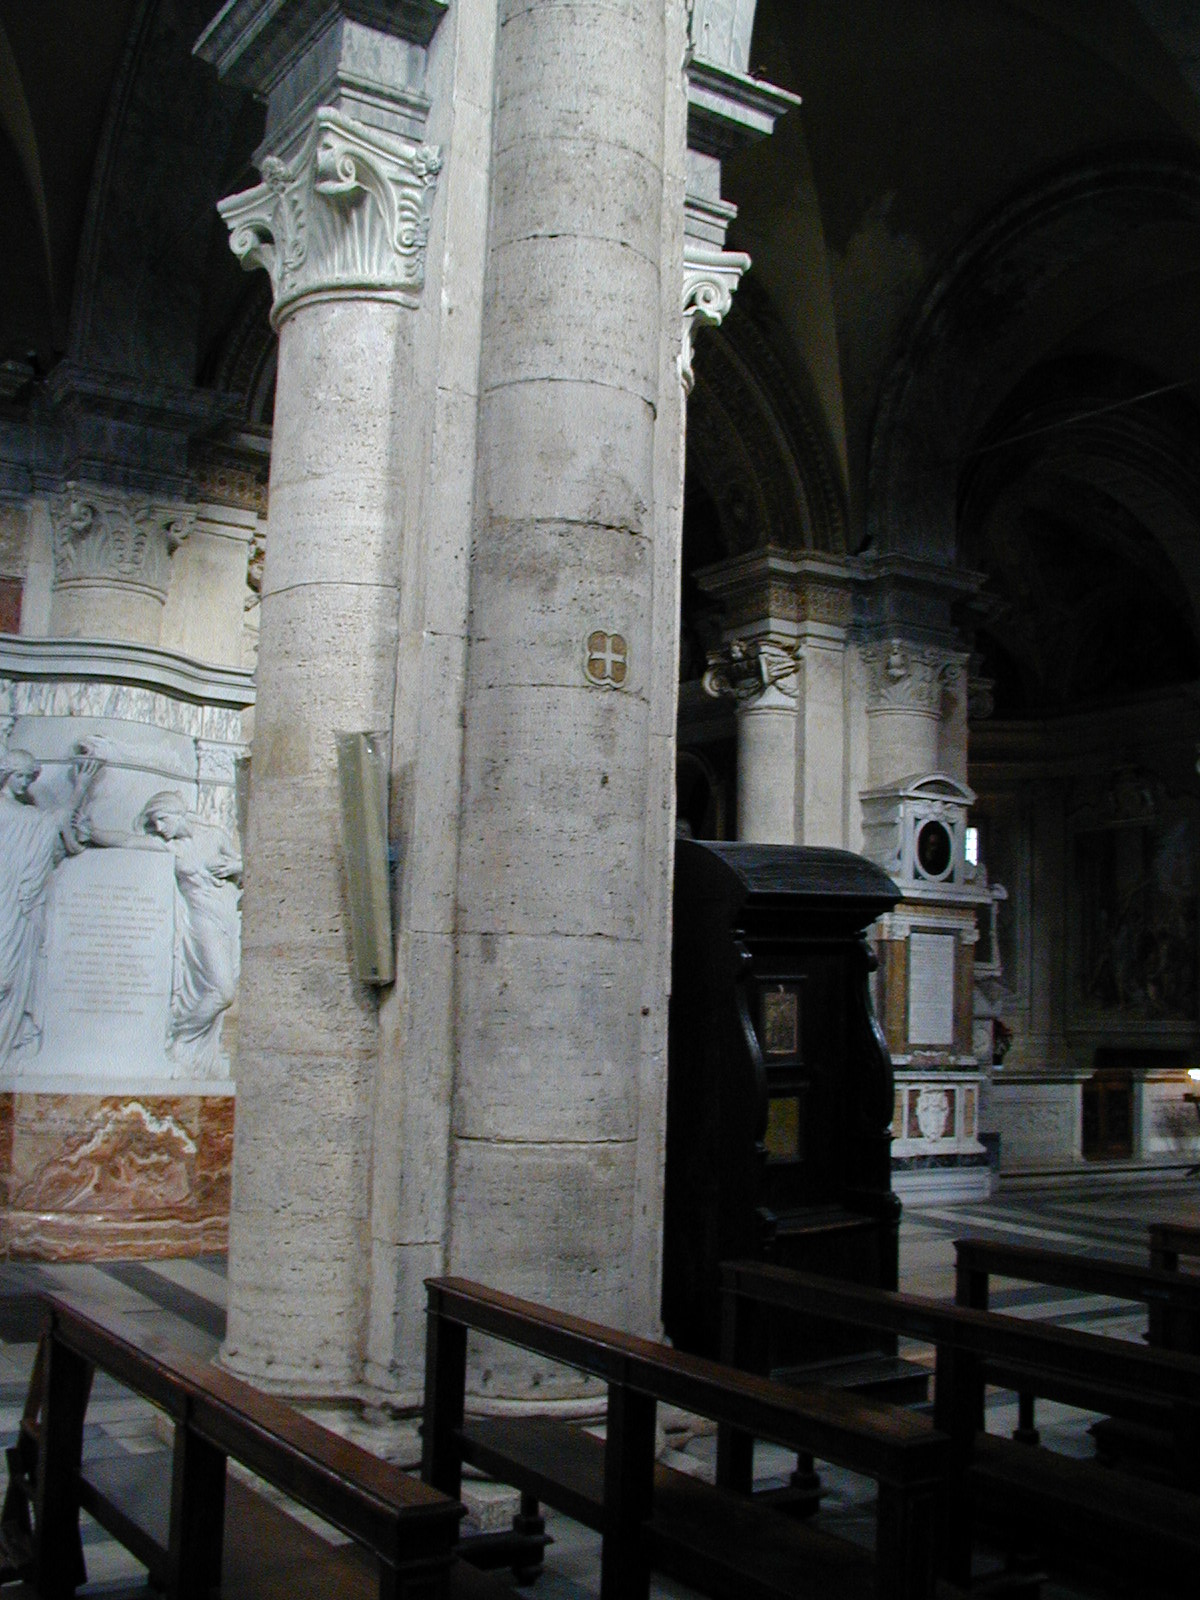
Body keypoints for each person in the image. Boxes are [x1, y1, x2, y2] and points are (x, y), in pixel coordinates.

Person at [86, 790, 242, 1073]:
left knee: (226, 986)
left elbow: (244, 868)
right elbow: (129, 841)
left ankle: (190, 1045)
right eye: (154, 823)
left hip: (227, 919)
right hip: (202, 922)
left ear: (177, 813)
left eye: (161, 819)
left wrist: (236, 865)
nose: (158, 827)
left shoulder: (216, 837)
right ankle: (180, 1037)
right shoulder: (171, 848)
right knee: (223, 991)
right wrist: (93, 833)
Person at [0, 747, 99, 1065]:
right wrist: (80, 787)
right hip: (8, 896)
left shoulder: (26, 815)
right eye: (20, 776)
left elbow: (53, 835)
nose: (24, 783)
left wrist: (75, 832)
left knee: (10, 976)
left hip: (19, 901)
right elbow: (53, 822)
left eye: (29, 778)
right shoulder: (11, 813)